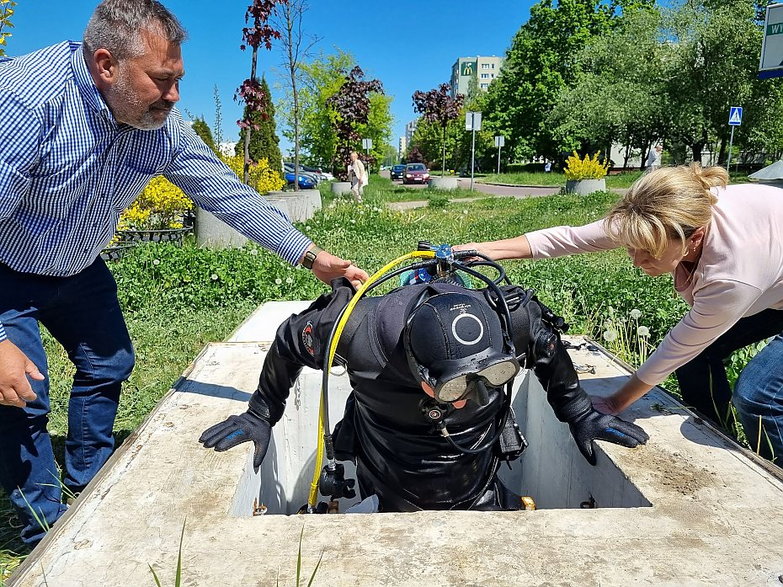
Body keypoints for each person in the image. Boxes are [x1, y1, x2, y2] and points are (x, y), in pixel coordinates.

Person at [0, 0, 368, 546]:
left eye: (179, 79)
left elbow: (229, 195)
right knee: (21, 391)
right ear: (106, 65)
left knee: (110, 361)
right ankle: (42, 528)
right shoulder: (26, 102)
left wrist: (311, 257)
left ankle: (91, 480)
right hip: (6, 268)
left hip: (76, 263)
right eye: (161, 80)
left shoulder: (158, 125)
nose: (174, 96)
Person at [200, 275, 648, 512]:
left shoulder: (513, 319)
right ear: (416, 367)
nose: (462, 399)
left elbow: (547, 347)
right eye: (451, 386)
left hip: (479, 477)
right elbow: (287, 342)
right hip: (385, 471)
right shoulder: (353, 330)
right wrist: (261, 412)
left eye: (491, 376)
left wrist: (578, 411)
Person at [457, 164, 783, 465]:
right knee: (700, 361)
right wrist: (481, 249)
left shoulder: (731, 275)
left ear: (694, 238)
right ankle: (719, 437)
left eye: (650, 251)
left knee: (759, 397)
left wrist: (614, 404)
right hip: (771, 280)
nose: (637, 260)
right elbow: (570, 238)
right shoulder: (656, 214)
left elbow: (679, 347)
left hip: (763, 279)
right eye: (630, 246)